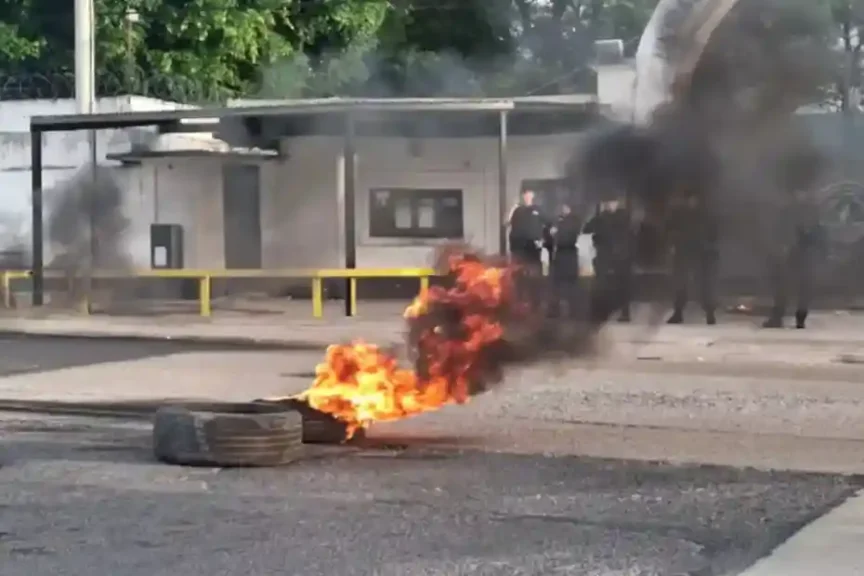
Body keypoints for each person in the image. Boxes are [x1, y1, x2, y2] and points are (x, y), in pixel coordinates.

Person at [763, 188, 823, 329]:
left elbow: (817, 233)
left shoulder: (804, 212)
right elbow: (780, 231)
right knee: (785, 288)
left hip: (802, 255)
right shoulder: (792, 211)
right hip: (793, 255)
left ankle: (796, 318)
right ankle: (782, 317)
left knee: (797, 288)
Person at [666, 193, 719, 325]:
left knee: (704, 285)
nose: (692, 201)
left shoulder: (705, 214)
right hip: (684, 251)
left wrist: (709, 246)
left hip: (700, 252)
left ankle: (709, 313)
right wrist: (674, 244)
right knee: (681, 284)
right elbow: (671, 229)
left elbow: (713, 232)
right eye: (690, 199)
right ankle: (678, 312)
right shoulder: (680, 214)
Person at [584, 198, 632, 323]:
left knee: (621, 285)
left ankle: (625, 312)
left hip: (619, 255)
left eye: (613, 202)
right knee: (601, 284)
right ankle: (600, 312)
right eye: (608, 203)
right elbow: (587, 228)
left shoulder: (622, 217)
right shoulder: (601, 218)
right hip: (605, 254)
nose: (611, 205)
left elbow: (627, 234)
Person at [507, 189, 546, 307]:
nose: (527, 197)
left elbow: (548, 224)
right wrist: (512, 208)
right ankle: (519, 301)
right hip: (519, 248)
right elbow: (508, 223)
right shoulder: (518, 210)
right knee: (519, 275)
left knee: (534, 275)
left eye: (529, 194)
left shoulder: (538, 210)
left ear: (533, 196)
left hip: (533, 248)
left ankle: (535, 301)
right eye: (525, 194)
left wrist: (542, 240)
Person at [545, 202, 583, 318]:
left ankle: (572, 310)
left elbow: (570, 232)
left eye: (565, 207)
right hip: (560, 254)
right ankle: (557, 309)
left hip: (569, 253)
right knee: (558, 284)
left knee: (570, 284)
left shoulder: (574, 220)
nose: (563, 209)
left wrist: (557, 230)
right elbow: (552, 234)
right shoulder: (559, 220)